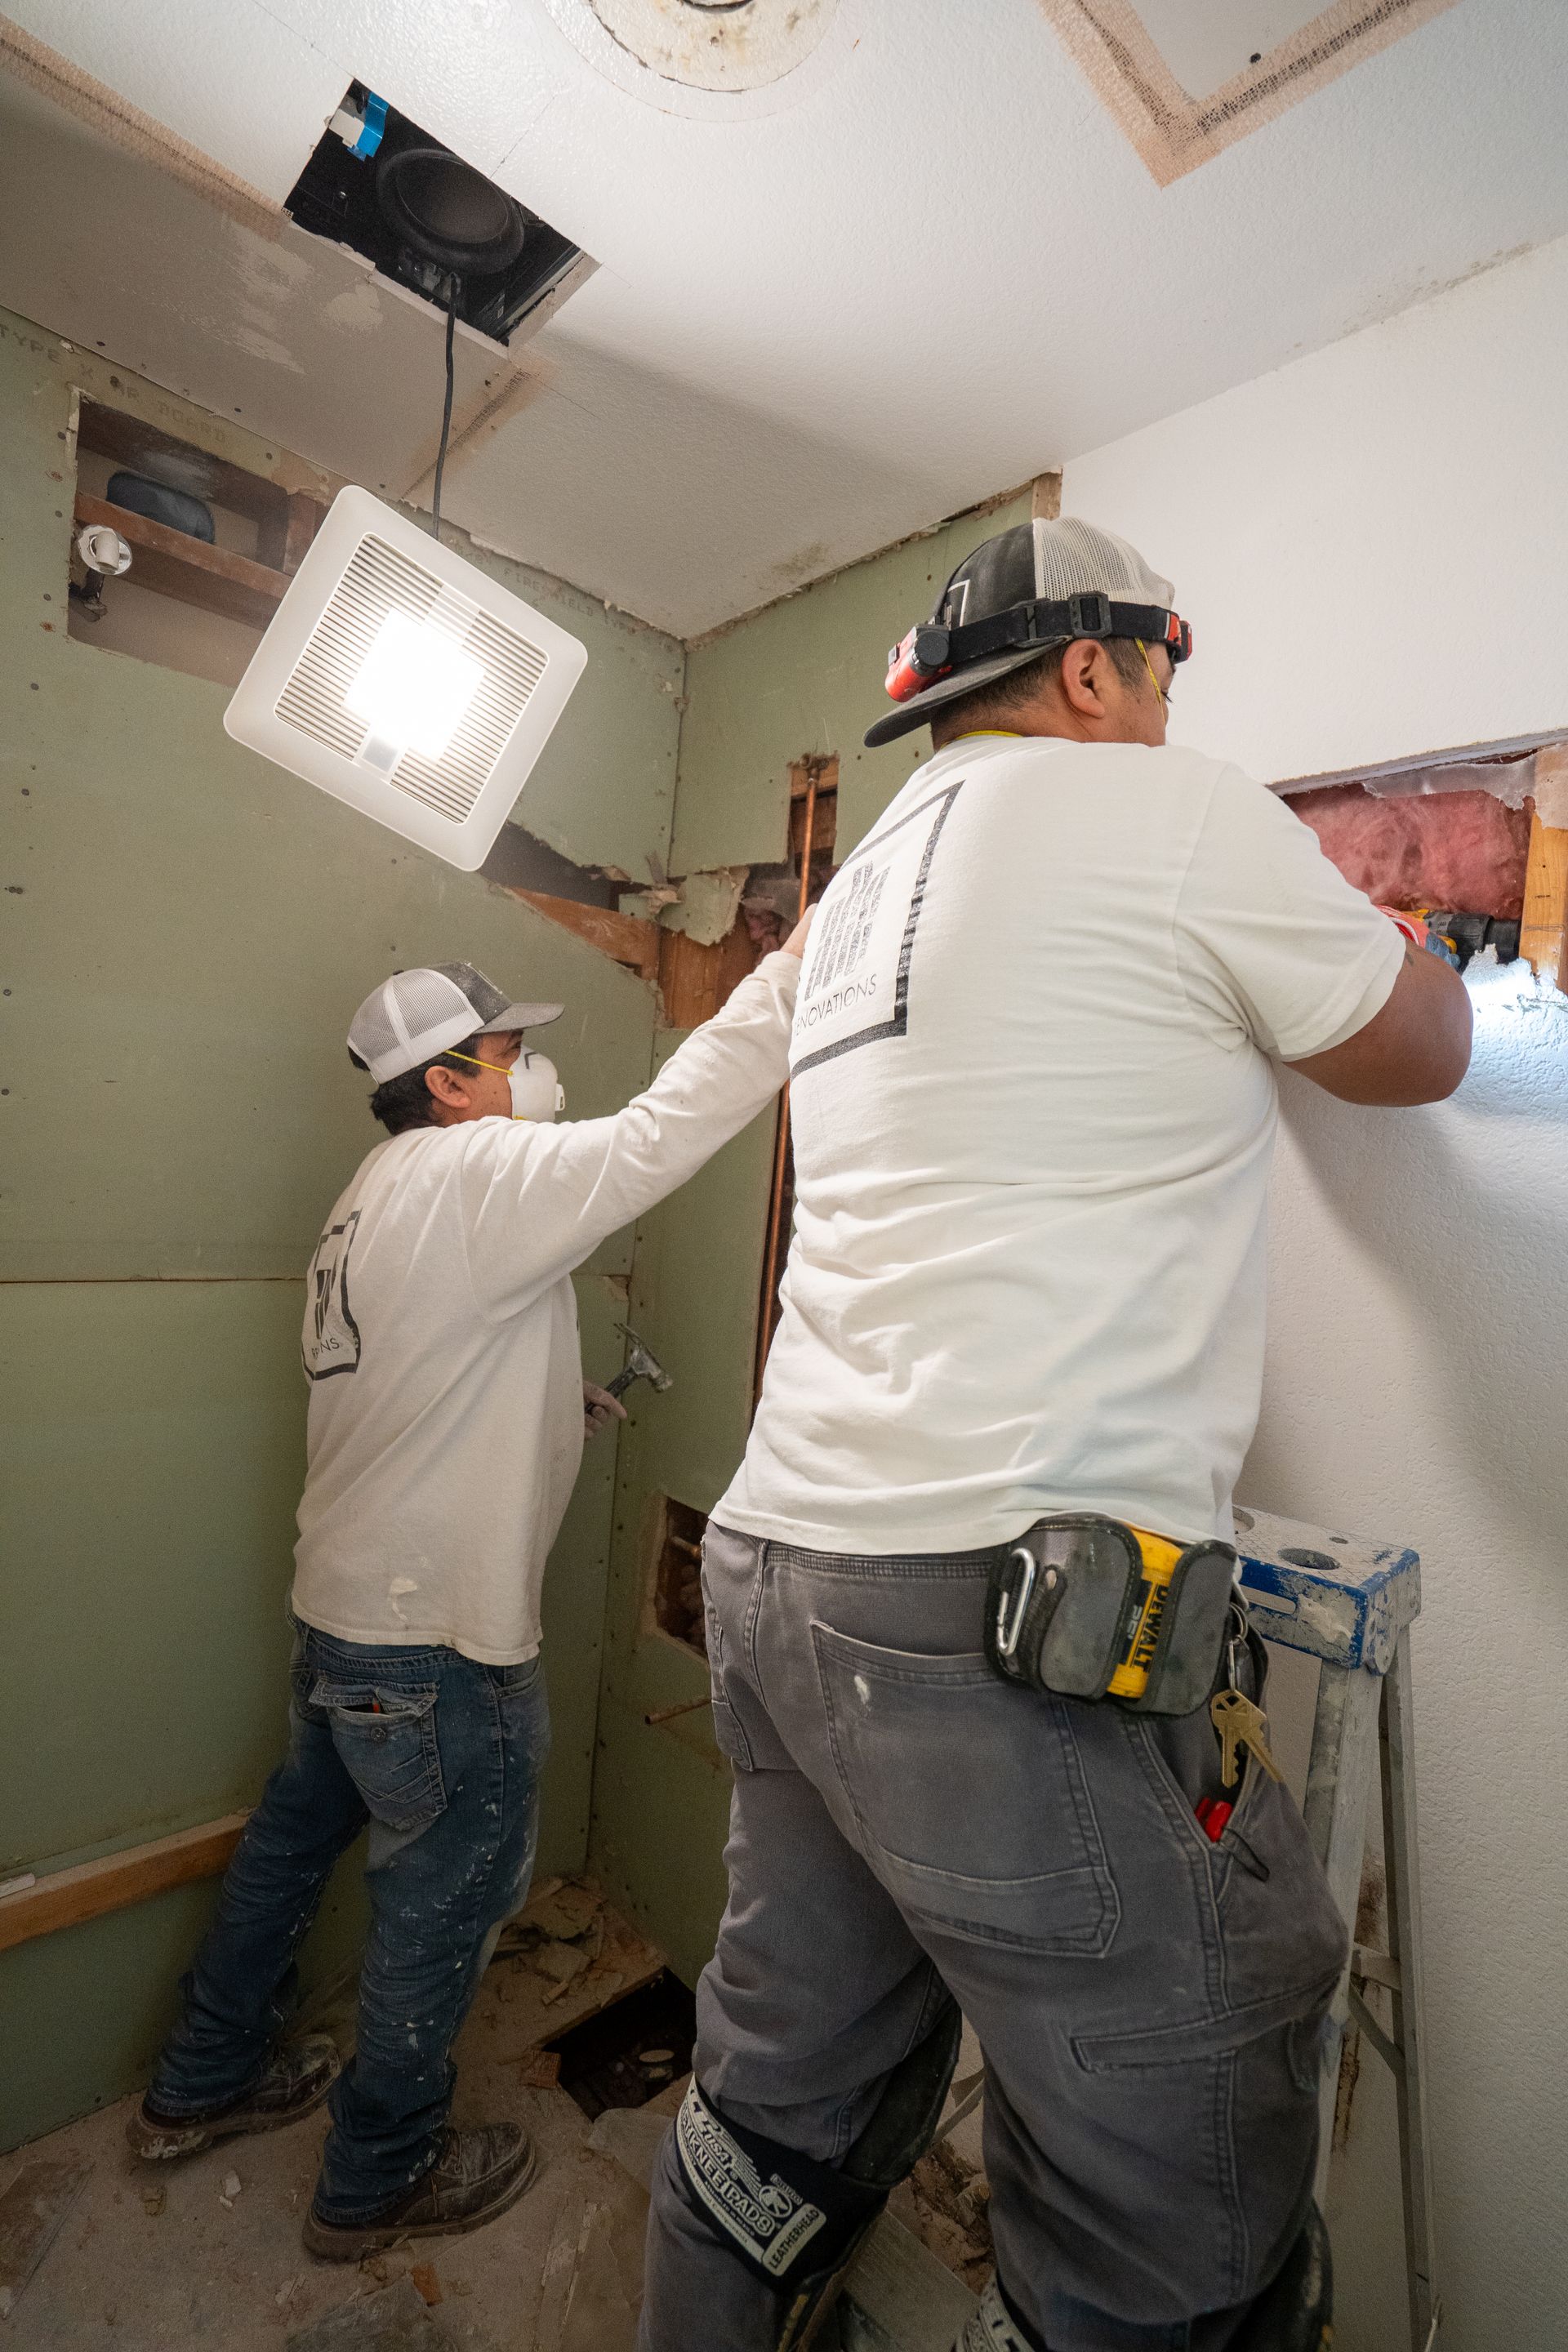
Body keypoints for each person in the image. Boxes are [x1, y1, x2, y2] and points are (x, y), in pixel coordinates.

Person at [638, 519, 1471, 2352]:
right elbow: (1421, 1049)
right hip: (999, 1634)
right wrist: (1395, 934)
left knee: (775, 2118)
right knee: (1164, 2223)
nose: (1172, 715)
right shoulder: (1177, 815)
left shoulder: (854, 890)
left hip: (786, 1577)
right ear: (1092, 669)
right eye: (1163, 676)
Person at [128, 927, 811, 2260]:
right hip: (438, 1641)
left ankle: (195, 2086)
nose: (530, 1071)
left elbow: (425, 1378)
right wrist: (786, 978)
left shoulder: (371, 1194)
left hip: (340, 1616)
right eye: (510, 1053)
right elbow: (660, 1135)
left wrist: (564, 1401)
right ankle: (377, 2177)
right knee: (441, 1903)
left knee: (286, 1852)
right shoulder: (475, 1172)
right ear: (447, 1083)